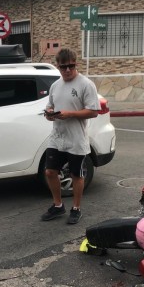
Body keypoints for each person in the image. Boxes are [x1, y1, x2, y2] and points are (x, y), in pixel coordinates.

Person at [41, 48, 100, 224]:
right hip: (58, 137)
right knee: (50, 171)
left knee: (76, 174)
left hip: (76, 140)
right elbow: (50, 106)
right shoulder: (55, 86)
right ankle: (58, 205)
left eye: (71, 66)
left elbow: (93, 112)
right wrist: (49, 113)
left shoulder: (86, 84)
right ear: (58, 67)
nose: (67, 70)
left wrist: (71, 114)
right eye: (63, 67)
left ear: (76, 64)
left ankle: (76, 208)